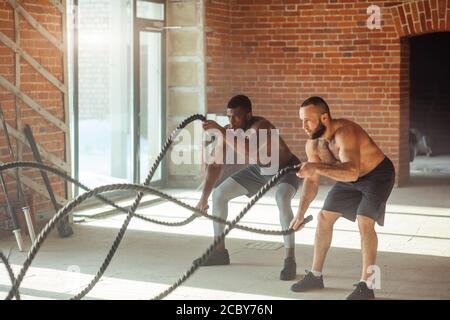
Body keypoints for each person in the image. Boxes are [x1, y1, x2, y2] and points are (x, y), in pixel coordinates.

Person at [289, 96, 395, 299]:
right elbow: (312, 180)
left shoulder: (345, 133)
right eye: (301, 121)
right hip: (348, 177)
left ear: (324, 118)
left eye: (308, 120)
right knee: (323, 218)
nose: (303, 126)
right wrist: (300, 213)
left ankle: (367, 285)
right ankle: (315, 275)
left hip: (377, 175)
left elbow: (352, 172)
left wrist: (316, 167)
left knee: (365, 221)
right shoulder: (313, 145)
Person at [194, 94, 301, 281]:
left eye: (236, 116)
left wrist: (220, 130)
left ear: (248, 115)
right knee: (219, 194)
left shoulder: (262, 126)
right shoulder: (228, 131)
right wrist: (203, 199)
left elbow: (250, 151)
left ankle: (289, 259)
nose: (232, 121)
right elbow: (215, 165)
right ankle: (219, 252)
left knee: (282, 198)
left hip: (287, 168)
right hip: (262, 170)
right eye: (228, 117)